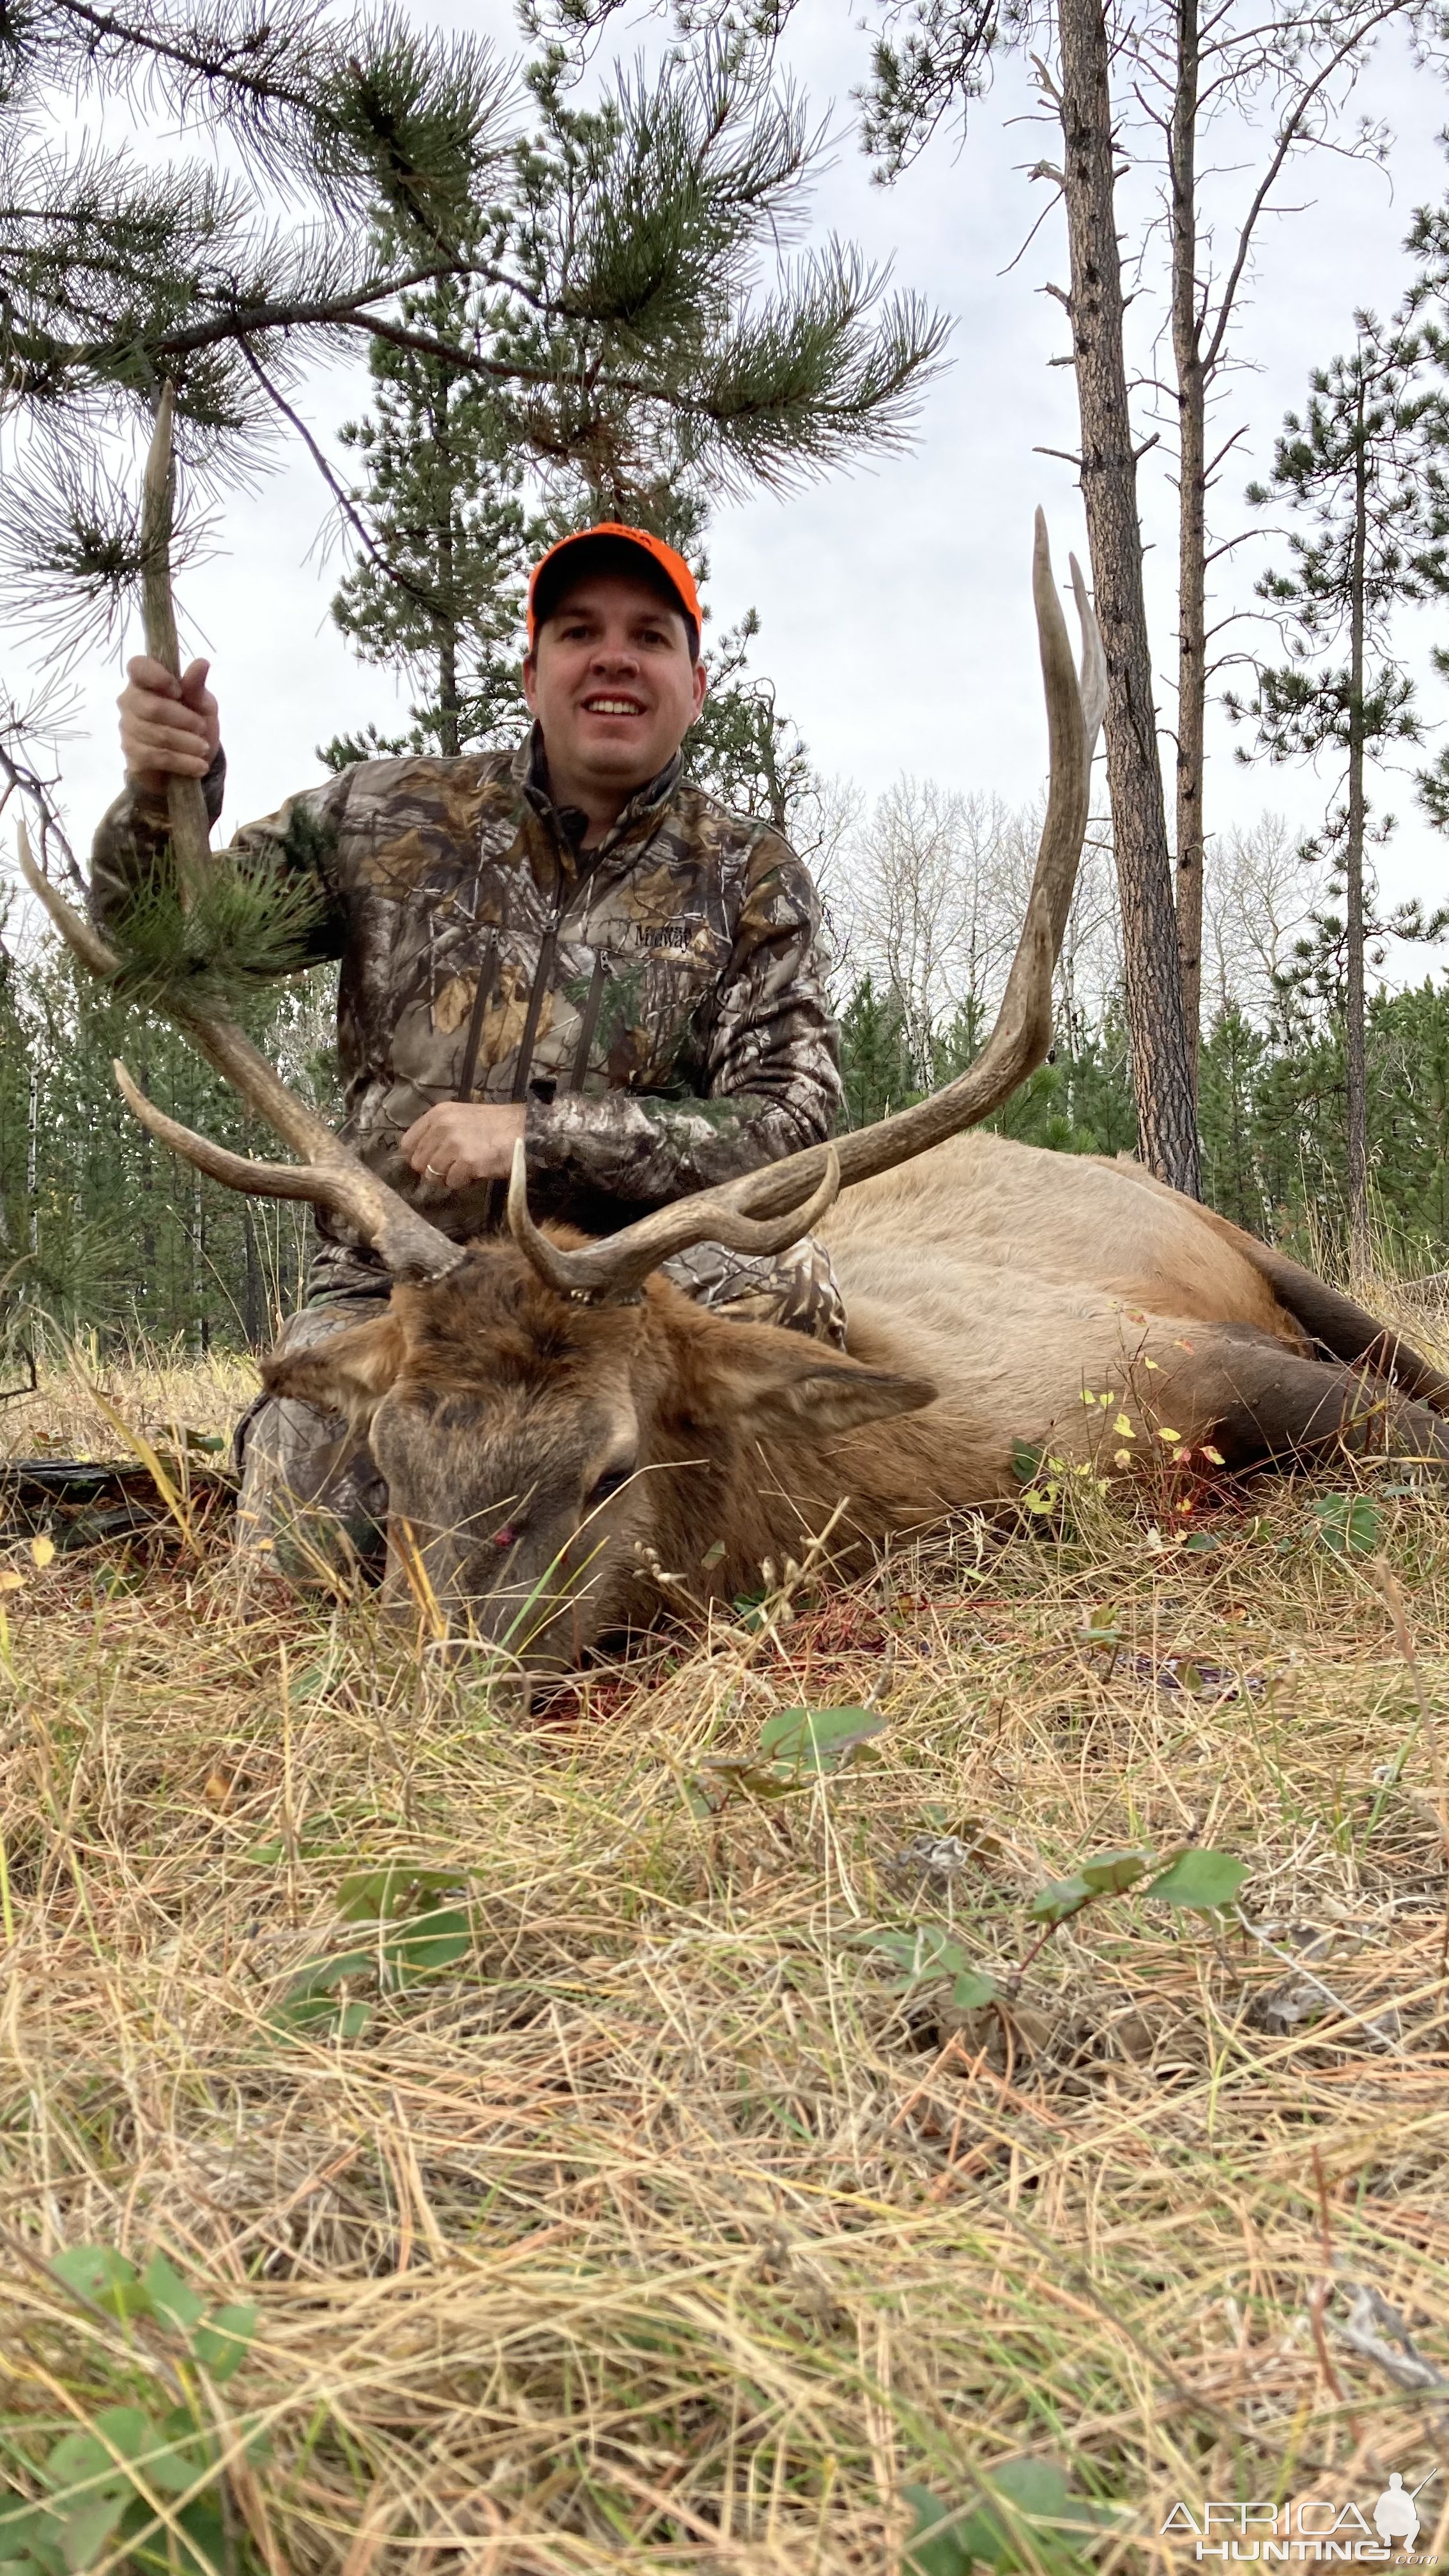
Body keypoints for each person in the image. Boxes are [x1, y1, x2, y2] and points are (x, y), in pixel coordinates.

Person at [91, 523, 843, 1583]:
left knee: (792, 1288)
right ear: (533, 673)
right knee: (292, 1571)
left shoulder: (747, 874)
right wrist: (168, 802)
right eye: (580, 632)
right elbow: (168, 942)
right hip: (404, 1292)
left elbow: (792, 1127)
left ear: (696, 681)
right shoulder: (386, 817)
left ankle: (696, 1568)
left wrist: (538, 1139)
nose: (614, 658)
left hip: (620, 1299)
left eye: (650, 635)